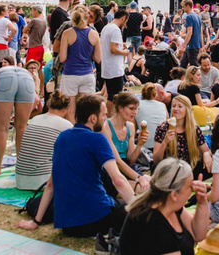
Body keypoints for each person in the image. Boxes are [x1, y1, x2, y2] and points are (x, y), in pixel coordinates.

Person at [18, 95, 135, 236]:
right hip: (97, 218)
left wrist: (36, 221)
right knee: (132, 209)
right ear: (93, 118)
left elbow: (50, 185)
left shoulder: (62, 137)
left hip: (68, 227)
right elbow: (118, 180)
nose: (105, 119)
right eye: (104, 115)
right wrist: (137, 207)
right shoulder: (98, 139)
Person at [118, 157, 210, 255]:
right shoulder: (152, 223)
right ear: (174, 195)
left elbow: (198, 234)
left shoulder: (170, 207)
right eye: (189, 186)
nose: (193, 188)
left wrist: (201, 201)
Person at [0, 55, 36, 175]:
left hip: (5, 80)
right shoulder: (24, 71)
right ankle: (21, 167)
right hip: (27, 79)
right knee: (22, 127)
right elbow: (36, 99)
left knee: (2, 129)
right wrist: (23, 116)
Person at [15, 90, 72, 191]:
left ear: (49, 106)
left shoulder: (35, 119)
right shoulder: (66, 125)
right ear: (65, 109)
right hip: (43, 181)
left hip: (20, 179)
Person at [58, 5, 102, 122]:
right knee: (86, 109)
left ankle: (73, 132)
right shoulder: (94, 34)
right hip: (87, 73)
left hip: (70, 74)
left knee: (70, 110)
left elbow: (62, 58)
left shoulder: (67, 33)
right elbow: (98, 58)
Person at [153, 95, 212, 179]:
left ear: (187, 110)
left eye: (180, 106)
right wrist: (165, 142)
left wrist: (206, 154)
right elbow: (156, 160)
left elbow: (206, 150)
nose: (176, 109)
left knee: (209, 164)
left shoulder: (194, 129)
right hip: (170, 169)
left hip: (189, 167)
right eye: (174, 106)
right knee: (156, 169)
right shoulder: (163, 127)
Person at [101, 92, 151, 190]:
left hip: (127, 168)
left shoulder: (130, 127)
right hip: (112, 171)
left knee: (155, 184)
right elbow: (117, 161)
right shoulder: (106, 127)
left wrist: (140, 144)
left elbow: (131, 160)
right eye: (131, 109)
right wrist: (138, 178)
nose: (135, 112)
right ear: (120, 108)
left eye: (136, 109)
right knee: (145, 190)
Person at [100, 9, 130, 97]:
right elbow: (113, 49)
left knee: (109, 95)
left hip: (107, 68)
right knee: (114, 97)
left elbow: (110, 45)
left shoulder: (106, 27)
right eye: (125, 22)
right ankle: (111, 111)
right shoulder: (115, 30)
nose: (125, 24)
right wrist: (125, 52)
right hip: (114, 70)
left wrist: (121, 46)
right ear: (123, 18)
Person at [136, 84, 169, 152]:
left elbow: (132, 129)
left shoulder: (137, 106)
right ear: (155, 94)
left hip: (146, 146)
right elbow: (167, 123)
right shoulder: (162, 105)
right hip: (162, 146)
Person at [180, 0, 203, 68]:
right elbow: (200, 32)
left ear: (188, 6)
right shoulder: (197, 16)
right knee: (183, 64)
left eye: (183, 6)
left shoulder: (189, 17)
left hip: (192, 45)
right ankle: (180, 77)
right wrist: (201, 45)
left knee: (194, 67)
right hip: (195, 44)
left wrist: (183, 46)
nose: (182, 8)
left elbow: (190, 32)